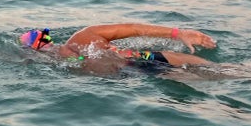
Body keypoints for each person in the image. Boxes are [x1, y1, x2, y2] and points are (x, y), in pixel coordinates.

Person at [19, 23, 216, 73]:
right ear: (49, 37)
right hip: (149, 56)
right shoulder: (85, 35)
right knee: (227, 71)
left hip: (134, 72)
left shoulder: (54, 62)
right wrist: (178, 33)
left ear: (33, 50)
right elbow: (133, 28)